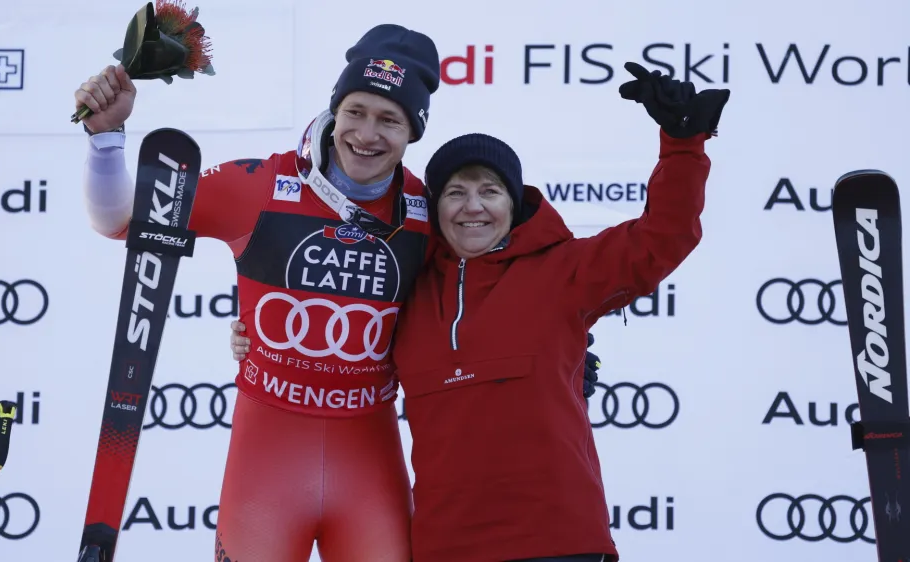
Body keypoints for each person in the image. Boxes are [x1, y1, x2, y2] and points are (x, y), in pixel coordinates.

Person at [228, 62, 730, 562]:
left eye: (489, 191)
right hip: (446, 546)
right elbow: (338, 325)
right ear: (435, 208)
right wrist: (256, 338)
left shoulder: (564, 270)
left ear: (513, 204)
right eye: (454, 192)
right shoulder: (410, 286)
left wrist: (683, 145)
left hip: (558, 543)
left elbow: (662, 238)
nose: (473, 207)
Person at [76, 23, 443, 562]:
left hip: (370, 462)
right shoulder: (263, 186)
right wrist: (105, 139)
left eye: (390, 119)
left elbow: (492, 283)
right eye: (355, 111)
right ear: (335, 111)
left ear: (414, 132)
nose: (367, 133)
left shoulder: (427, 211)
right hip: (267, 462)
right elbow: (120, 222)